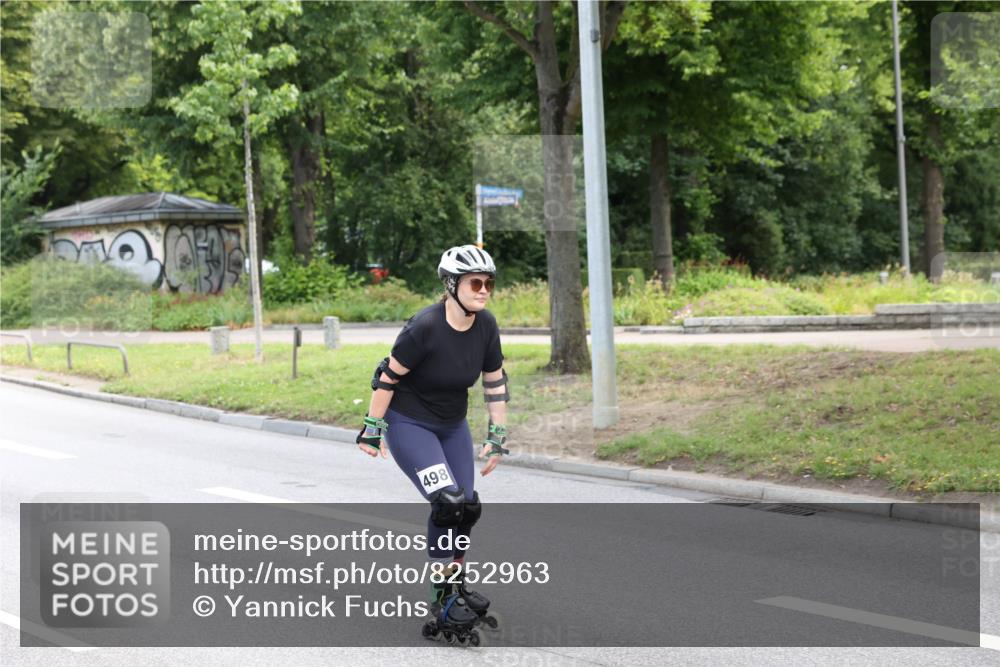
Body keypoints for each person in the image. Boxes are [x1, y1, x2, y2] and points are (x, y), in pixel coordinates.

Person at [356, 244, 510, 645]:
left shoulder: (486, 325)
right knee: (447, 502)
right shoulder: (424, 327)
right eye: (475, 283)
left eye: (489, 283)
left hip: (451, 424)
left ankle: (454, 582)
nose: (484, 290)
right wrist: (372, 428)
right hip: (409, 423)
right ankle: (440, 597)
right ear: (452, 285)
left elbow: (495, 380)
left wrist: (497, 436)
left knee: (467, 507)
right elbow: (386, 377)